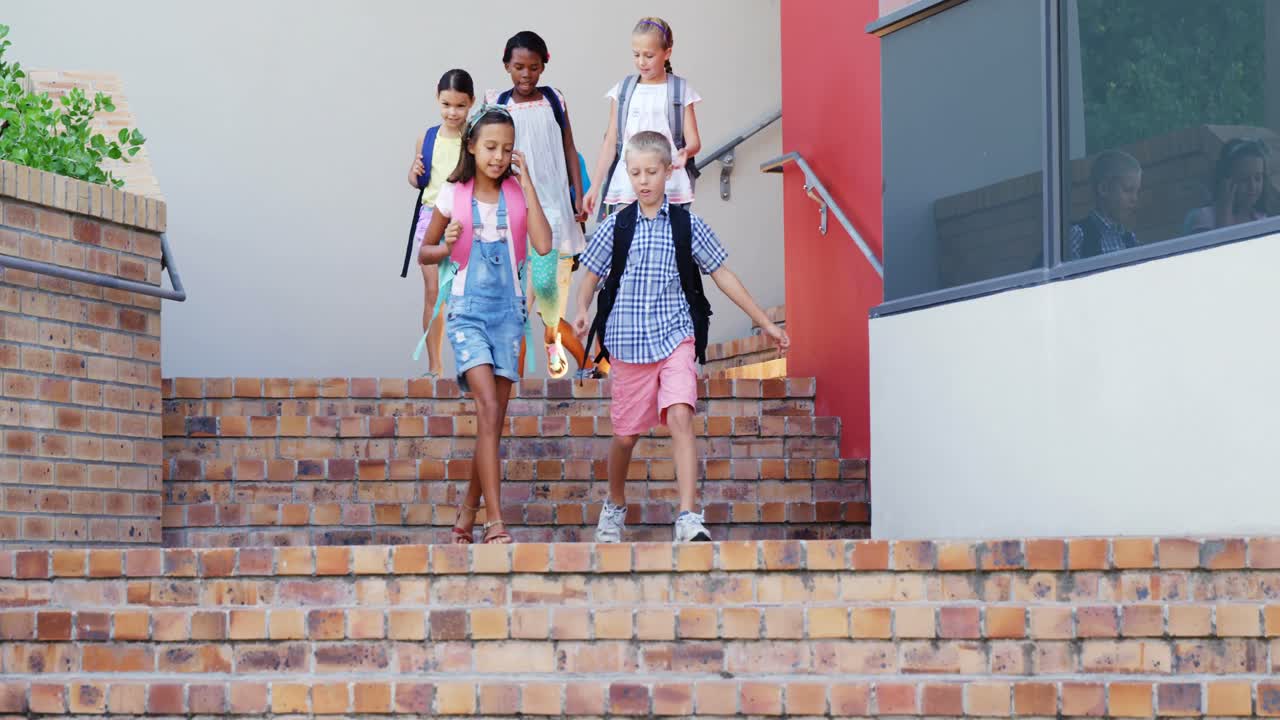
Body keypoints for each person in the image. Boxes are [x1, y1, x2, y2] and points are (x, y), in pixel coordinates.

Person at [572, 132, 789, 543]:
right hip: (628, 344)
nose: (643, 180)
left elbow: (723, 274)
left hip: (675, 337)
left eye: (651, 172)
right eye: (635, 173)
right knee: (625, 437)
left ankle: (689, 516)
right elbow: (590, 278)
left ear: (668, 171)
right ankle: (614, 506)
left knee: (680, 417)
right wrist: (582, 310)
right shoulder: (616, 226)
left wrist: (765, 322)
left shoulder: (687, 225)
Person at [418, 106, 554, 544]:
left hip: (508, 317)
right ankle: (496, 523)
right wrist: (447, 246)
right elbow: (425, 252)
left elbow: (543, 244)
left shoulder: (517, 193)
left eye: (507, 149)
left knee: (491, 422)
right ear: (472, 146)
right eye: (491, 147)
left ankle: (466, 514)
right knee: (489, 409)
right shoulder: (453, 193)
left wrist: (529, 185)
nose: (499, 156)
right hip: (467, 314)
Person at [486, 31, 590, 379]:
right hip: (516, 209)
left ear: (543, 66)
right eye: (519, 67)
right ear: (506, 65)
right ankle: (511, 381)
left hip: (555, 209)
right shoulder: (498, 104)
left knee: (548, 292)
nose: (526, 74)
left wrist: (578, 192)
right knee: (517, 303)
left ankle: (553, 341)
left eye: (533, 67)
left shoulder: (554, 99)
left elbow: (569, 147)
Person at [582, 16, 702, 220]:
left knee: (667, 237)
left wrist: (686, 151)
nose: (641, 62)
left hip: (668, 184)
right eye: (636, 54)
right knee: (626, 236)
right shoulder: (623, 90)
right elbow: (610, 143)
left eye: (649, 55)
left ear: (667, 53)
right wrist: (594, 187)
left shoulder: (680, 91)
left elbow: (694, 142)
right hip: (628, 184)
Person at [405, 69, 474, 377]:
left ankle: (470, 365)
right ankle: (435, 367)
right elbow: (419, 181)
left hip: (463, 220)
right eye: (446, 104)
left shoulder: (474, 138)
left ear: (471, 102)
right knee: (433, 293)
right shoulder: (428, 137)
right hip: (429, 218)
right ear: (437, 98)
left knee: (463, 295)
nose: (452, 112)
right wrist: (413, 172)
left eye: (460, 106)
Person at [1067, 150, 1141, 261]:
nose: (1135, 198)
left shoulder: (1130, 239)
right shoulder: (1078, 235)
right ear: (1104, 189)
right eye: (1128, 190)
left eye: (1136, 191)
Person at [1185, 138, 1271, 234]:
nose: (1252, 186)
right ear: (1225, 181)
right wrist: (1225, 211)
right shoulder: (1203, 218)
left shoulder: (1262, 219)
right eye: (1244, 179)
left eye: (1258, 178)